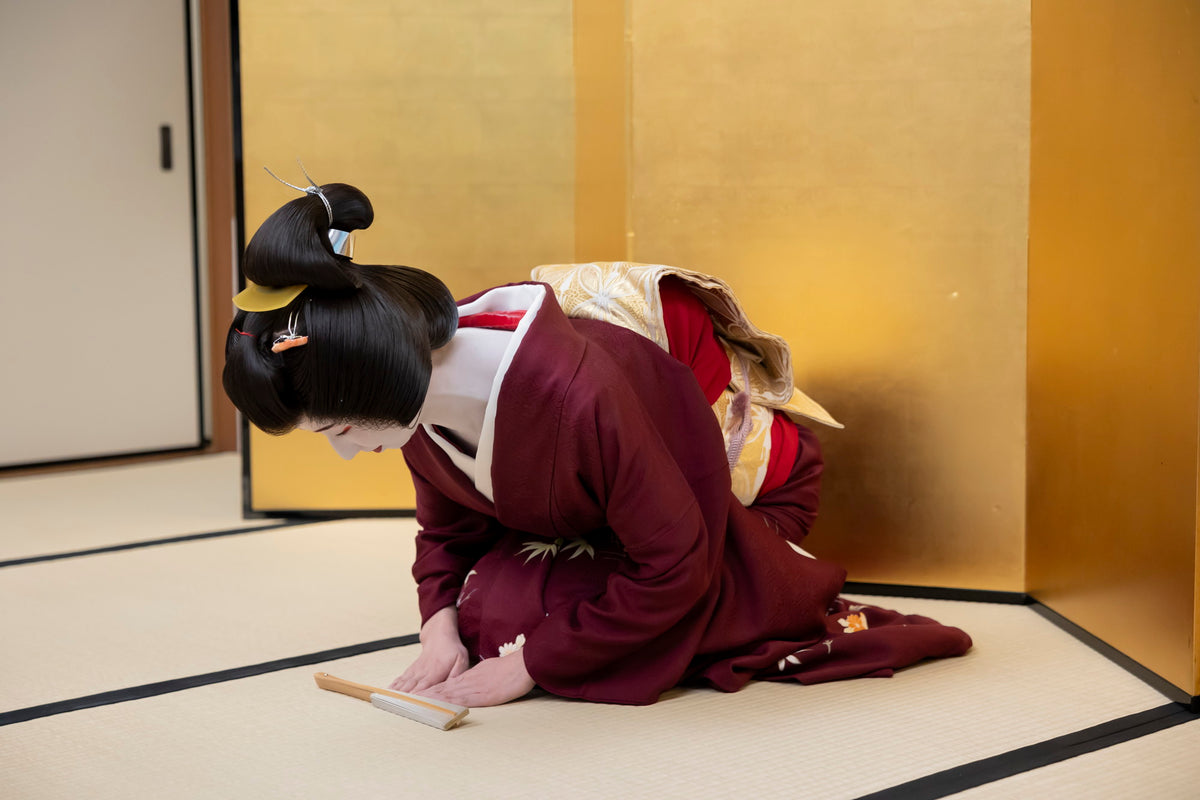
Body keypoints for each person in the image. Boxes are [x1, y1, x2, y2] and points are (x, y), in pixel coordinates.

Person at [223, 173, 971, 708]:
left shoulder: (573, 393)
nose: (347, 451)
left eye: (339, 429)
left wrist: (532, 668)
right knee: (486, 618)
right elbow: (447, 526)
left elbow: (676, 564)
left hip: (735, 494)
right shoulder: (410, 377)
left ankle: (770, 561)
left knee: (526, 629)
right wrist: (438, 626)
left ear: (375, 387)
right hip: (605, 509)